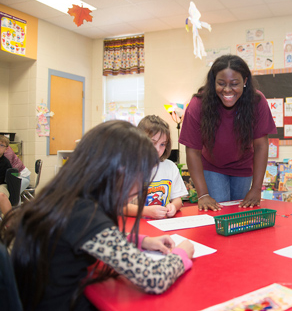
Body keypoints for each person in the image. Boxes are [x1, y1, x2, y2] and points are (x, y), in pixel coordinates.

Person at [0, 120, 195, 311]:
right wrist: (183, 252)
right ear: (119, 172)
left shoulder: (67, 197)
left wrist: (141, 241)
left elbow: (89, 238)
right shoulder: (86, 214)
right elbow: (154, 277)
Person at [180, 54, 277, 211]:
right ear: (213, 82)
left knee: (242, 213)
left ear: (245, 81)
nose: (227, 90)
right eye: (221, 83)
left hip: (243, 166)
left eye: (234, 84)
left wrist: (256, 188)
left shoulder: (256, 101)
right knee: (219, 213)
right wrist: (203, 194)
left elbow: (261, 145)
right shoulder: (198, 105)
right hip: (212, 167)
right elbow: (192, 151)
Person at [125, 115, 187, 219]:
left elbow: (178, 200)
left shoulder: (170, 167)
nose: (157, 149)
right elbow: (120, 207)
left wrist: (173, 207)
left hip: (162, 224)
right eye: (152, 143)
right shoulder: (129, 168)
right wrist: (146, 211)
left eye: (162, 144)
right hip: (137, 226)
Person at [0, 135, 13, 216]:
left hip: (2, 185)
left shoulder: (5, 162)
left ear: (6, 149)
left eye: (1, 145)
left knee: (1, 195)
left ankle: (10, 223)